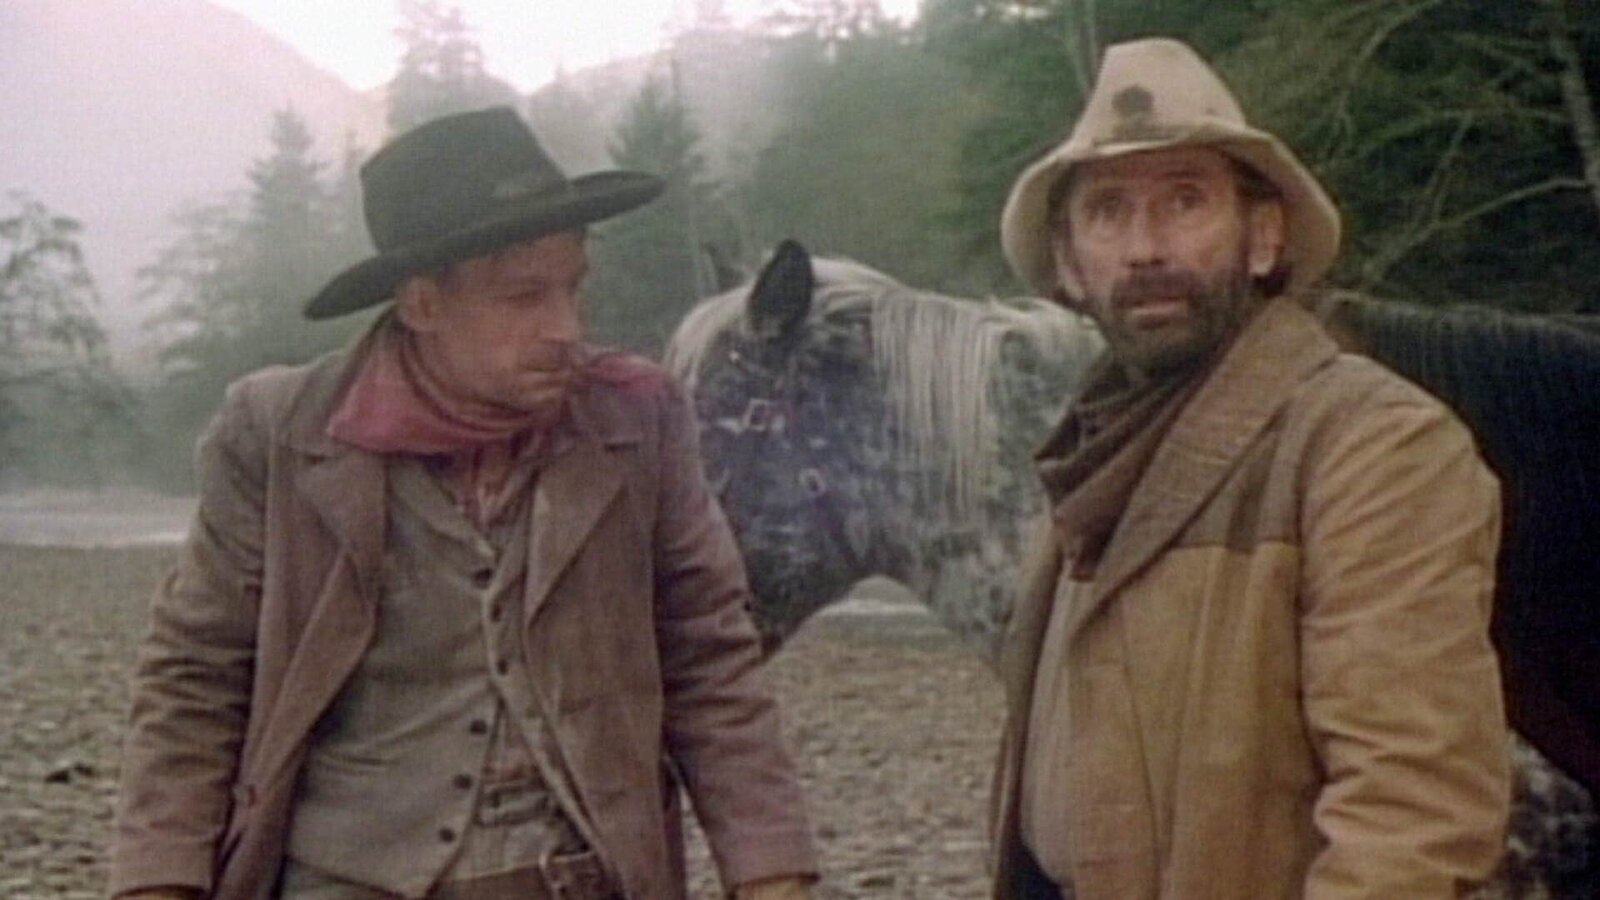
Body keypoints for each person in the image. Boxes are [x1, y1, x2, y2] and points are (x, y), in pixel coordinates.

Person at [109, 106, 817, 900]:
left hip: (581, 879)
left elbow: (709, 658)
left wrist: (771, 871)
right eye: (524, 297)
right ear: (422, 305)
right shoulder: (279, 434)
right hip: (345, 881)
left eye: (573, 288)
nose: (566, 327)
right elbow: (197, 676)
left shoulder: (635, 418)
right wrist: (158, 881)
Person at [988, 38, 1510, 898]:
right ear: (1071, 264)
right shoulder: (1088, 454)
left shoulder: (1370, 446)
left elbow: (1412, 815)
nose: (1144, 247)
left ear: (1264, 238)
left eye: (1185, 200)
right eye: (1108, 211)